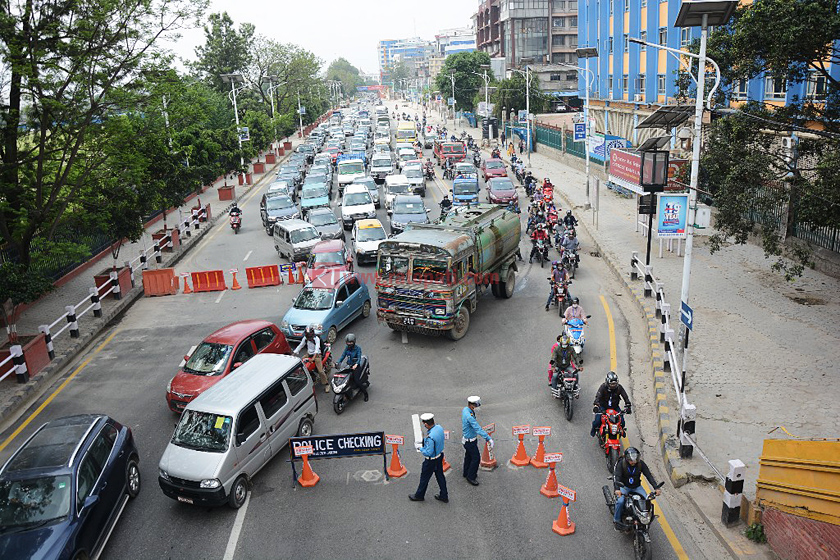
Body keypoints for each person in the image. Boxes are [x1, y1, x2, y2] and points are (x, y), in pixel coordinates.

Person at [613, 447, 660, 531]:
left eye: (635, 460)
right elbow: (617, 477)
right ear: (627, 459)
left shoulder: (640, 464)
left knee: (646, 500)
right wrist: (617, 489)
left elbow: (649, 475)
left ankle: (645, 519)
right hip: (624, 487)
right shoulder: (621, 464)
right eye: (631, 460)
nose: (633, 462)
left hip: (637, 487)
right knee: (620, 501)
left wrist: (656, 487)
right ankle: (616, 521)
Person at [409, 413, 449, 503]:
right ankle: (444, 495)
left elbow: (428, 452)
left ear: (426, 424)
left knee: (424, 478)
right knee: (440, 477)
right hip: (439, 457)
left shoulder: (430, 437)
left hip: (431, 461)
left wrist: (420, 448)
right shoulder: (439, 428)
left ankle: (419, 495)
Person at [461, 396, 493, 486]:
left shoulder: (465, 410)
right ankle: (471, 476)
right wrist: (488, 438)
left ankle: (466, 472)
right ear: (471, 405)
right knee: (476, 458)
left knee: (468, 456)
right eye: (475, 405)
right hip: (470, 441)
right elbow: (477, 428)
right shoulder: (469, 417)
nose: (477, 407)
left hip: (467, 439)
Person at [591, 371, 631, 437]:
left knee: (622, 422)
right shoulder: (603, 387)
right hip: (603, 407)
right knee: (597, 421)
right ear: (607, 382)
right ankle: (593, 430)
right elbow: (598, 397)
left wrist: (628, 405)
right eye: (611, 384)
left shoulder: (619, 388)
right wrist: (596, 406)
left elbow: (625, 397)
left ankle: (621, 431)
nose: (613, 385)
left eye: (614, 384)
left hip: (614, 407)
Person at [294, 325, 329, 392]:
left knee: (320, 371)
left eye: (310, 336)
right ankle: (312, 378)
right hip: (309, 354)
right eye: (308, 336)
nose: (309, 338)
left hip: (317, 355)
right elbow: (300, 345)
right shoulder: (305, 338)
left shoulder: (316, 339)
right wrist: (294, 353)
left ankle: (327, 384)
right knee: (301, 363)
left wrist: (313, 358)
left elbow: (316, 349)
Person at [335, 333, 367, 401]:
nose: (349, 343)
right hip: (348, 365)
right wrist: (338, 362)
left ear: (354, 342)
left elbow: (359, 358)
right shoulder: (347, 348)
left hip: (356, 366)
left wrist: (356, 364)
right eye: (348, 342)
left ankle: (365, 394)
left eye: (351, 342)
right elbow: (343, 356)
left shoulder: (358, 349)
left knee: (357, 381)